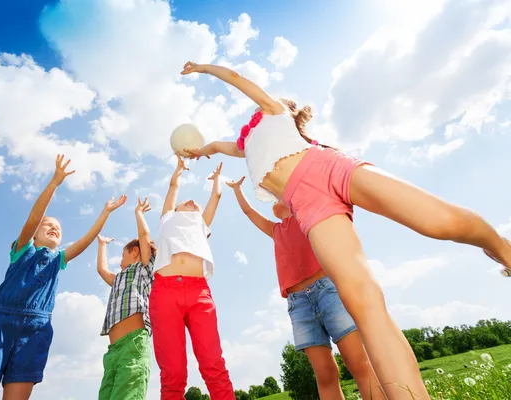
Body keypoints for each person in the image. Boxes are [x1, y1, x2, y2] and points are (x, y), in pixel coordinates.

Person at [180, 61, 511, 399]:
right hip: (307, 206)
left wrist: (204, 68)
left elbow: (237, 79)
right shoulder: (246, 144)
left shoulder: (274, 112)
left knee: (440, 222)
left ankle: (499, 245)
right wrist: (199, 151)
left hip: (328, 168)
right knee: (362, 302)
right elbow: (221, 146)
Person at [0, 155, 126, 400]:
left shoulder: (58, 261)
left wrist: (105, 212)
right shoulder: (23, 250)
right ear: (35, 235)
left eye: (59, 228)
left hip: (36, 329)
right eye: (49, 225)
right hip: (0, 323)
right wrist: (54, 183)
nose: (55, 228)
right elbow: (34, 218)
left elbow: (85, 241)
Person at [226, 176, 384, 399]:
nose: (274, 200)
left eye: (279, 196)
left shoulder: (308, 217)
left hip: (328, 292)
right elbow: (249, 213)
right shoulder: (275, 230)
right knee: (324, 372)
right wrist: (237, 190)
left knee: (357, 361)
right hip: (299, 305)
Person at [149, 154, 235, 400]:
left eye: (194, 203)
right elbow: (173, 188)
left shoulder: (200, 223)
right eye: (185, 201)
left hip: (199, 294)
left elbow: (216, 197)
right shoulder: (167, 218)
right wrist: (178, 170)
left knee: (213, 364)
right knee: (173, 372)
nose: (191, 202)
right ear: (174, 210)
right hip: (165, 293)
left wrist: (217, 179)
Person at [97, 197, 156, 400]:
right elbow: (102, 270)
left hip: (134, 343)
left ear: (135, 252)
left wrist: (138, 213)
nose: (120, 261)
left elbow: (144, 236)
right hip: (113, 351)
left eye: (122, 256)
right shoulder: (118, 278)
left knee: (127, 395)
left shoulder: (142, 269)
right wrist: (102, 245)